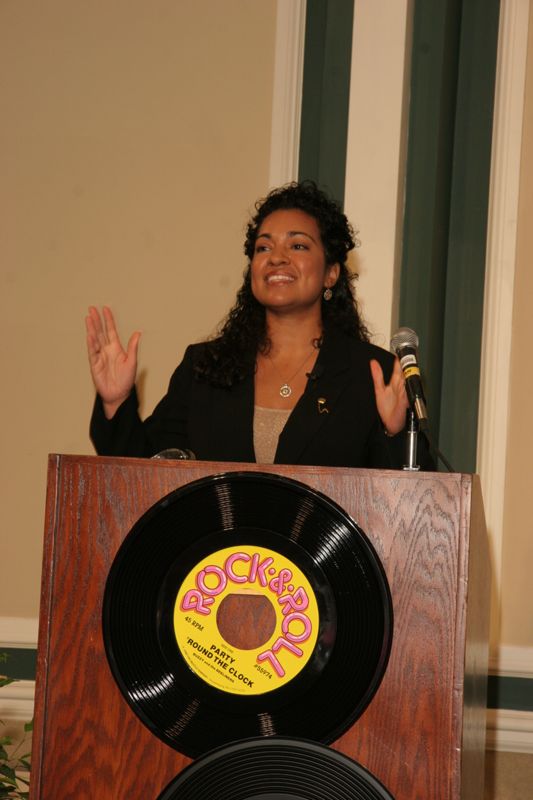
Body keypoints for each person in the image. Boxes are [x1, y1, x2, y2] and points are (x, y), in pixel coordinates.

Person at [87, 181, 431, 469]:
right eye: (263, 247)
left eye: (297, 245)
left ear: (331, 273)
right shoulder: (205, 369)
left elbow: (409, 513)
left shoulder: (370, 375)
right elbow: (141, 472)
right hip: (220, 552)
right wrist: (116, 403)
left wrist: (396, 432)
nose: (276, 257)